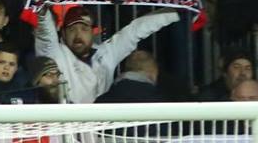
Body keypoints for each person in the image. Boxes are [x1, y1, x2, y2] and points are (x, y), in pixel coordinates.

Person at [34, 6, 180, 105]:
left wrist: (177, 12)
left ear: (94, 31)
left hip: (100, 131)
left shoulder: (106, 53)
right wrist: (41, 8)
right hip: (67, 129)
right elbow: (45, 32)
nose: (78, 35)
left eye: (84, 29)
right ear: (64, 33)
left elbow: (135, 30)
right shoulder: (55, 54)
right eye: (72, 30)